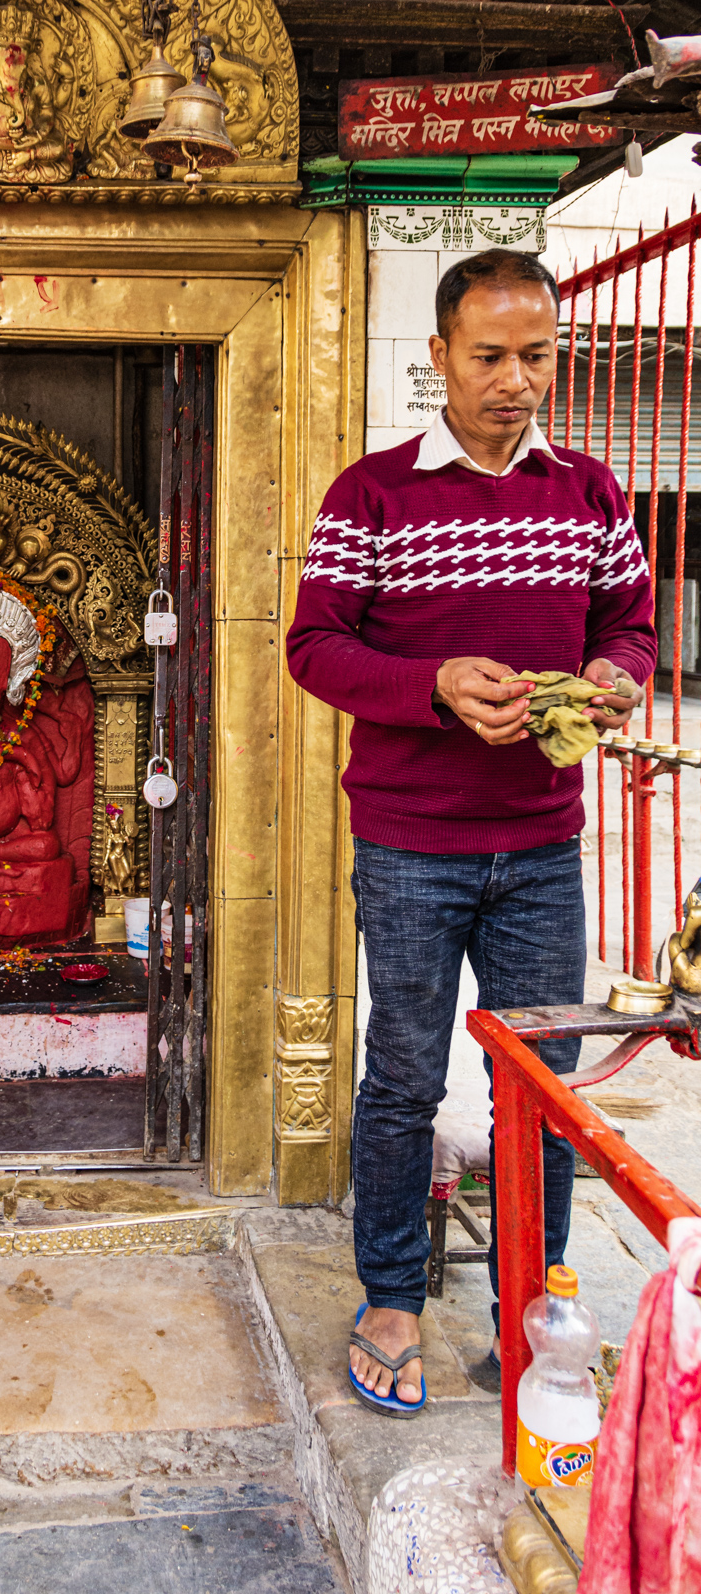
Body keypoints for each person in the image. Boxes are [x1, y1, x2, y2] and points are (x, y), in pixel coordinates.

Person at [285, 248, 656, 1416]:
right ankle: (390, 1295)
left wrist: (612, 673)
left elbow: (633, 627)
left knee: (539, 1088)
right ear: (436, 356)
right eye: (488, 355)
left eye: (535, 356)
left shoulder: (591, 493)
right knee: (401, 1076)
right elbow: (314, 645)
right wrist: (433, 683)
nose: (514, 379)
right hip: (408, 845)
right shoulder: (370, 494)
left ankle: (530, 1303)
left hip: (540, 848)